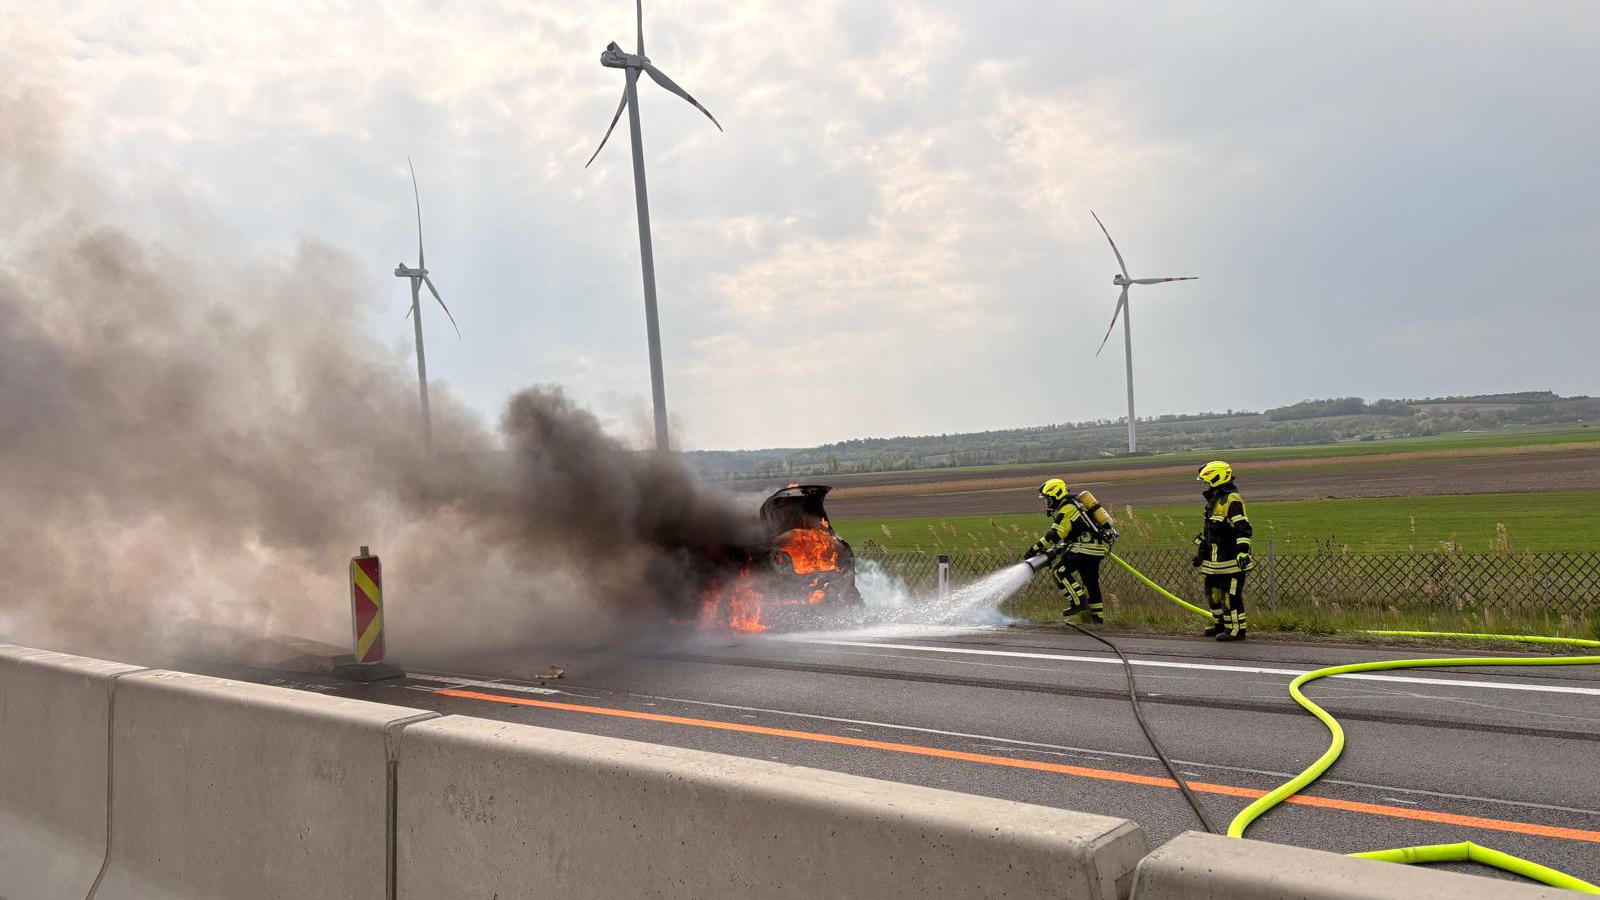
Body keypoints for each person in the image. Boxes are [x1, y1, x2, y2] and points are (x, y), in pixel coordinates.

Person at [1026, 478, 1116, 624]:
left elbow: (1055, 535)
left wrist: (1034, 549)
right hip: (1096, 549)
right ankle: (1098, 620)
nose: (1047, 504)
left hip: (1084, 548)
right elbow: (1069, 537)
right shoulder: (1076, 505)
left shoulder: (1067, 508)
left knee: (1059, 572)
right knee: (1091, 584)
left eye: (1048, 500)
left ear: (1056, 495)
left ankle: (1078, 602)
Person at [1193, 460, 1253, 641]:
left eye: (1206, 480)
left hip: (1231, 561)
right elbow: (1209, 531)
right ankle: (1220, 623)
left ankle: (1236, 630)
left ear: (1216, 479)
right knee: (1212, 593)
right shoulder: (1214, 501)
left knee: (1230, 595)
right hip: (1214, 562)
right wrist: (1200, 555)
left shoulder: (1231, 500)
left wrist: (1243, 551)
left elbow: (1243, 527)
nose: (1204, 484)